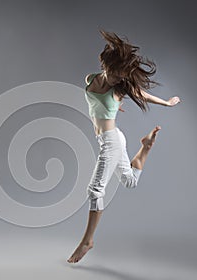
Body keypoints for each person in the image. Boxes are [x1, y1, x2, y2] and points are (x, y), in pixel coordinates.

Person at [67, 30, 181, 263]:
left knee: (95, 190)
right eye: (115, 75)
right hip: (109, 139)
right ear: (106, 65)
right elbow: (95, 104)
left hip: (111, 140)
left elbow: (142, 94)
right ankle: (146, 146)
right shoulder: (90, 79)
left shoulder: (118, 89)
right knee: (129, 181)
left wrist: (167, 103)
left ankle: (87, 241)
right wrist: (108, 108)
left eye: (121, 78)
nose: (117, 80)